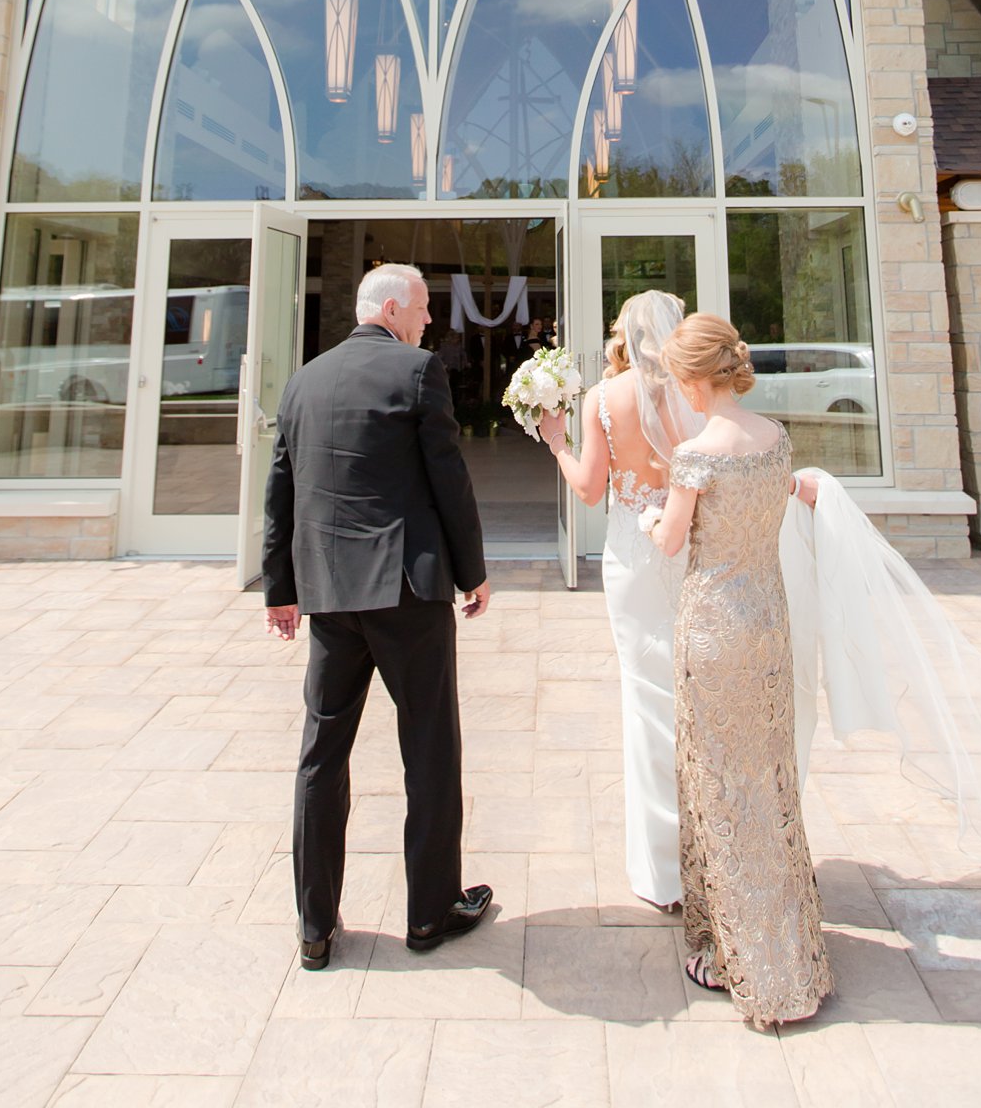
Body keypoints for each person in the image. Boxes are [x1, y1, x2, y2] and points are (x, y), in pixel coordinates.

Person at [263, 262, 494, 970]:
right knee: (429, 747)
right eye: (423, 308)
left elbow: (281, 485)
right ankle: (430, 912)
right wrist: (473, 571)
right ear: (393, 307)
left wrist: (280, 586)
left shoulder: (304, 378)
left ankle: (314, 925)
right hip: (405, 591)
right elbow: (447, 477)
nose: (428, 321)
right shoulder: (418, 371)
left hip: (331, 595)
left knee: (320, 756)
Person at [647, 312, 831, 1030]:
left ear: (697, 378)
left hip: (715, 629)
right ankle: (790, 944)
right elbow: (781, 499)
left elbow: (669, 542)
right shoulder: (774, 438)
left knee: (720, 785)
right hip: (768, 622)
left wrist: (646, 521)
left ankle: (739, 954)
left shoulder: (697, 453)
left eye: (677, 378)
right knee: (768, 777)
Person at [536, 289, 692, 908]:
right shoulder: (696, 395)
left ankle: (661, 870)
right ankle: (708, 847)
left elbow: (590, 491)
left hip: (633, 560)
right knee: (693, 691)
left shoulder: (604, 399)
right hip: (688, 553)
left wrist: (556, 443)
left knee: (647, 701)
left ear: (623, 334)